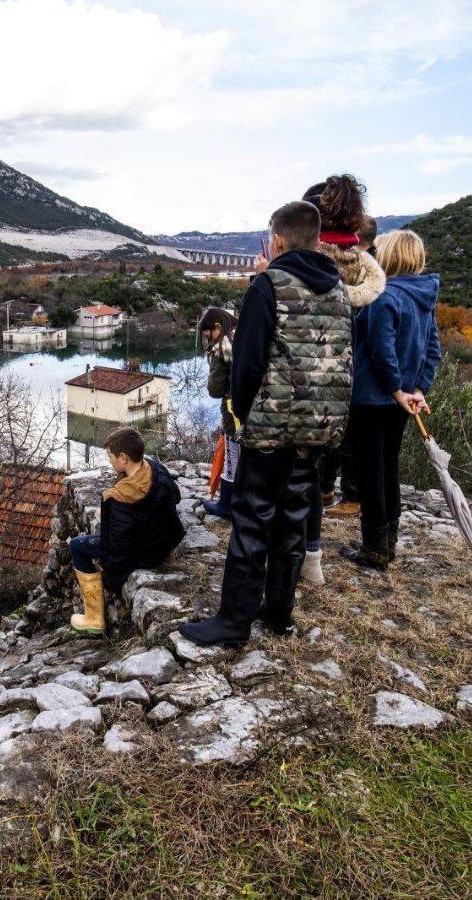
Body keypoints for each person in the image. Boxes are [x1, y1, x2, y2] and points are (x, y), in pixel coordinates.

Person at [179, 201, 352, 647]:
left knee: (252, 519)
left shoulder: (267, 286)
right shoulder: (339, 290)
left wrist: (244, 412)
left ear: (276, 239)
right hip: (320, 426)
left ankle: (233, 622)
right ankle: (279, 614)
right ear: (316, 239)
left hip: (271, 427)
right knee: (293, 520)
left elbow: (248, 364)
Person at [299, 177, 384, 583]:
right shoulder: (361, 275)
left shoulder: (306, 272)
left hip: (301, 392)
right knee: (318, 479)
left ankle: (293, 561)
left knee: (298, 480)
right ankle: (313, 556)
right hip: (345, 390)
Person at [341, 230, 441, 571]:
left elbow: (382, 351)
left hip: (372, 399)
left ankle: (374, 549)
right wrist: (417, 390)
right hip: (401, 402)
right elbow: (432, 350)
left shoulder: (384, 297)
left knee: (371, 473)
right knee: (388, 469)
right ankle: (387, 542)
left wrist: (397, 390)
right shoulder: (424, 297)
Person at [68, 427, 185, 634]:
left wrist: (111, 579)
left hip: (145, 554)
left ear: (123, 458)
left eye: (111, 457)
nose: (110, 462)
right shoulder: (155, 468)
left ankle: (94, 619)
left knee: (77, 545)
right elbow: (175, 496)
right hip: (165, 541)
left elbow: (116, 553)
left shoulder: (118, 497)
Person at [325, 218, 379, 520]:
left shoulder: (365, 274)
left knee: (350, 439)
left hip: (358, 372)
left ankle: (353, 495)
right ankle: (329, 488)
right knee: (340, 437)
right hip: (350, 368)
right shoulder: (363, 270)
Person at [199, 307, 239, 518]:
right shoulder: (246, 335)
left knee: (232, 456)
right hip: (258, 411)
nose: (209, 342)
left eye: (208, 336)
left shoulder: (223, 347)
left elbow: (215, 390)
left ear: (217, 327)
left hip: (235, 412)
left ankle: (226, 505)